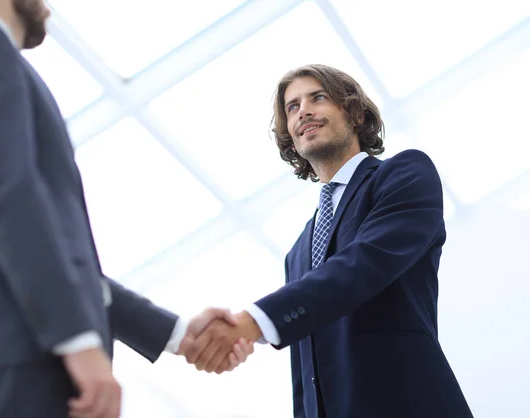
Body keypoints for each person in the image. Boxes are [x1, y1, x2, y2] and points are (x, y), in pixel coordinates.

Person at [0, 1, 252, 418]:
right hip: (22, 355)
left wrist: (176, 333)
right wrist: (76, 341)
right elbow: (10, 198)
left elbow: (30, 241)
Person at [180, 64, 475, 418]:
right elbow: (305, 371)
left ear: (355, 112)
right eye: (292, 107)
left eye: (317, 97)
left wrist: (253, 321)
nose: (303, 110)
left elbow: (364, 264)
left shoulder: (405, 174)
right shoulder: (298, 250)